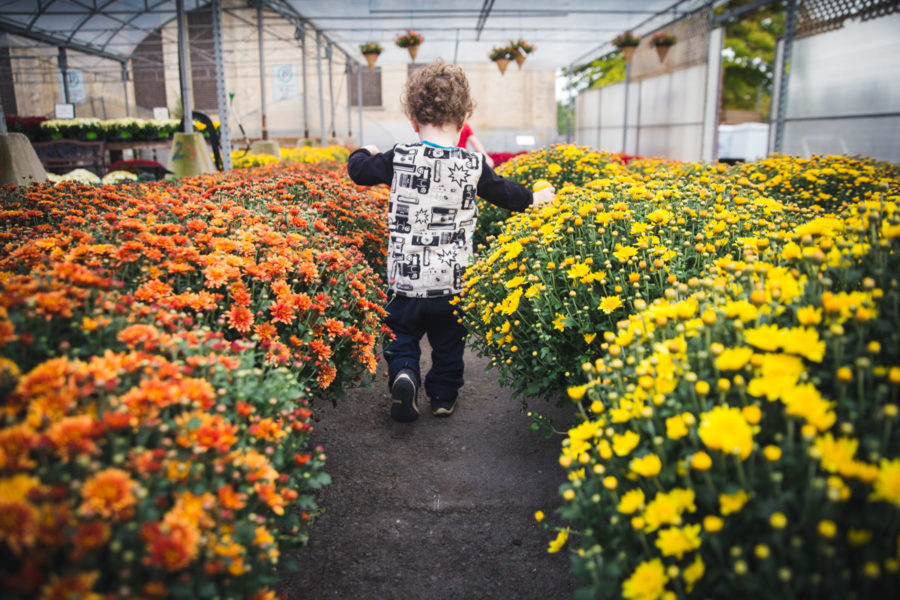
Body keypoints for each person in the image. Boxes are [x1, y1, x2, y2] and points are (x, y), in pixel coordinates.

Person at [347, 59, 555, 423]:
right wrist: (536, 199)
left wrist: (364, 150)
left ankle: (405, 374)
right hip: (452, 283)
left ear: (413, 120)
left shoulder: (400, 156)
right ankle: (443, 395)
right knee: (448, 344)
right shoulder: (473, 165)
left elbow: (360, 172)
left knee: (399, 335)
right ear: (462, 121)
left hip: (405, 282)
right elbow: (506, 194)